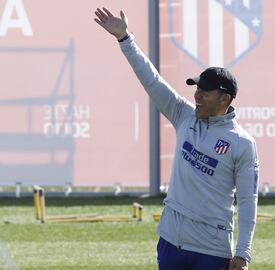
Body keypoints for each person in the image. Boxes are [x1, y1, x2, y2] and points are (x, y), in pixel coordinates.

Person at [94, 7, 259, 270]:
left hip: (211, 249)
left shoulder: (242, 143)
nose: (197, 95)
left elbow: (249, 201)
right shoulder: (184, 115)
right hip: (171, 241)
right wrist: (125, 39)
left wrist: (243, 254)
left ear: (224, 98)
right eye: (197, 89)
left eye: (205, 91)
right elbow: (152, 80)